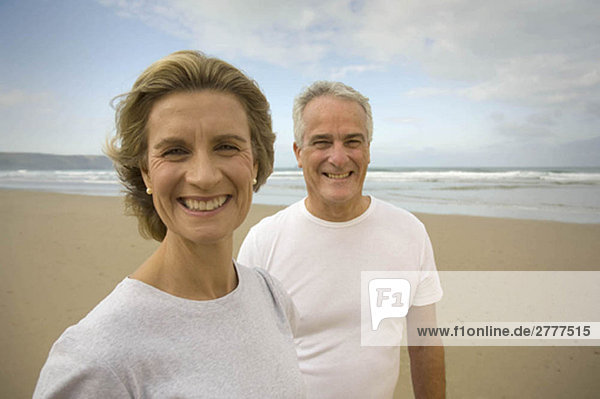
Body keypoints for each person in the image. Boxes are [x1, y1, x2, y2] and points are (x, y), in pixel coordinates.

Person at [33, 51, 305, 398]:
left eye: (226, 146)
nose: (204, 177)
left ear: (255, 162)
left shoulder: (269, 295)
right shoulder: (96, 360)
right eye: (175, 150)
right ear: (145, 170)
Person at [238, 81, 445, 398]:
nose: (338, 157)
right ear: (298, 153)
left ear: (368, 150)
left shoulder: (409, 232)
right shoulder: (264, 241)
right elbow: (243, 355)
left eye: (352, 141)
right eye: (321, 142)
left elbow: (424, 342)